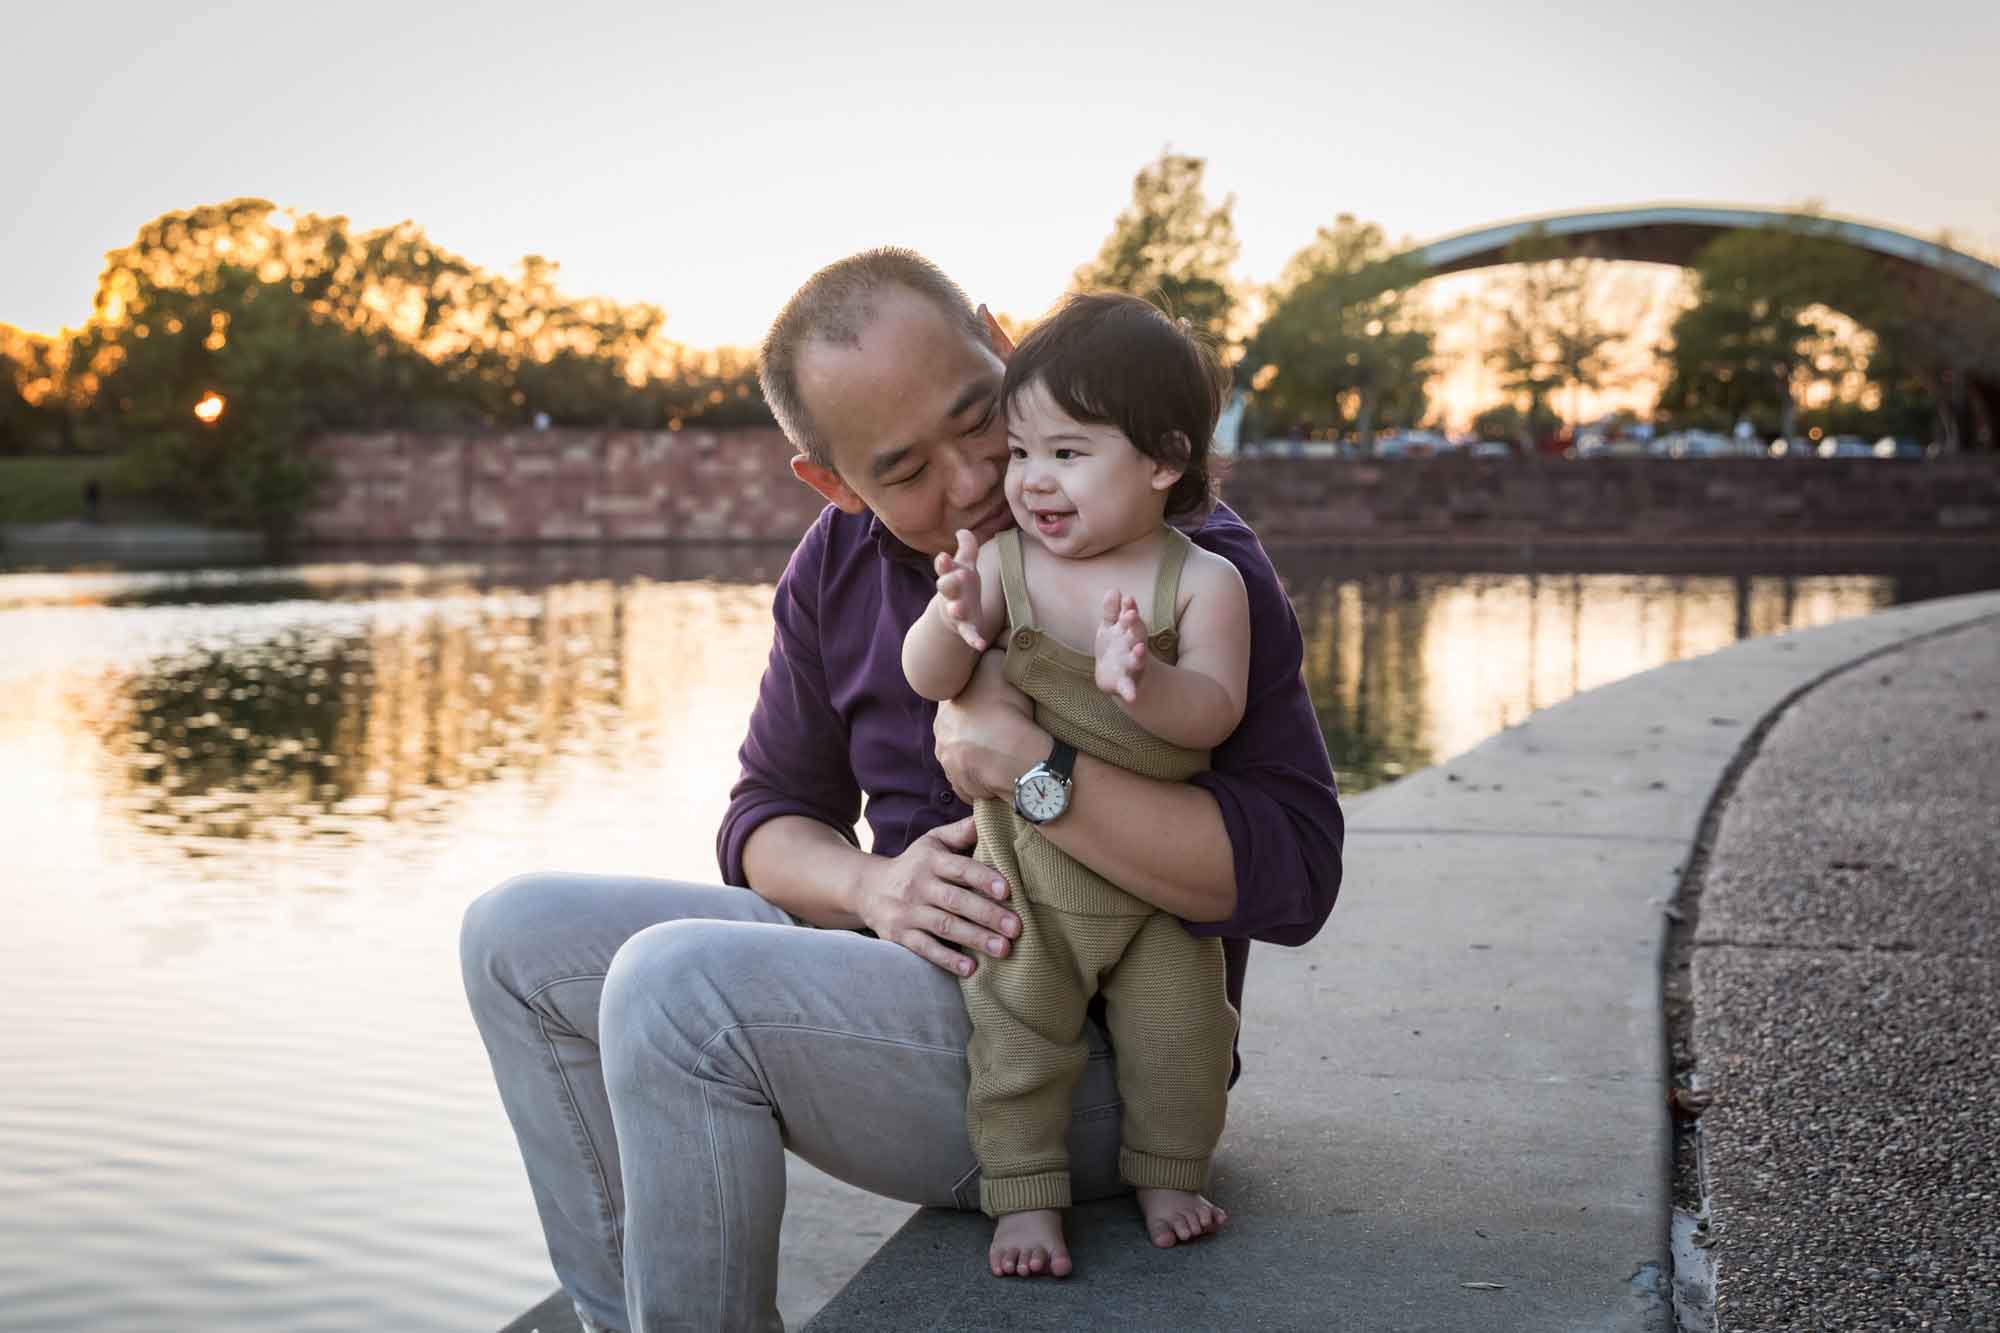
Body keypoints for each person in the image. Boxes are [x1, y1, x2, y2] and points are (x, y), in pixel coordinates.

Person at [459, 247, 1344, 1333]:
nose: (973, 482)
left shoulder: (1179, 555)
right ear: (832, 483)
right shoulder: (832, 565)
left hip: (1097, 1068)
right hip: (918, 1008)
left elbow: (1295, 875)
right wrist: (872, 888)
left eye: (977, 418)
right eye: (905, 470)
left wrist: (1032, 772)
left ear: (1001, 338)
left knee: (674, 984)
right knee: (513, 936)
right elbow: (763, 823)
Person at [901, 293, 1245, 1276]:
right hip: (1030, 881)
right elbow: (928, 681)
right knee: (1013, 1035)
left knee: (1181, 1034)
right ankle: (1022, 1197)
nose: (1030, 481)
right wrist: (952, 619)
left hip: (1148, 892)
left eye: (1066, 452)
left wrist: (1149, 684)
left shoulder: (1200, 582)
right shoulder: (1006, 565)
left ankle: (1169, 1171)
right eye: (1021, 453)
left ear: (1161, 459)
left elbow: (1214, 711)